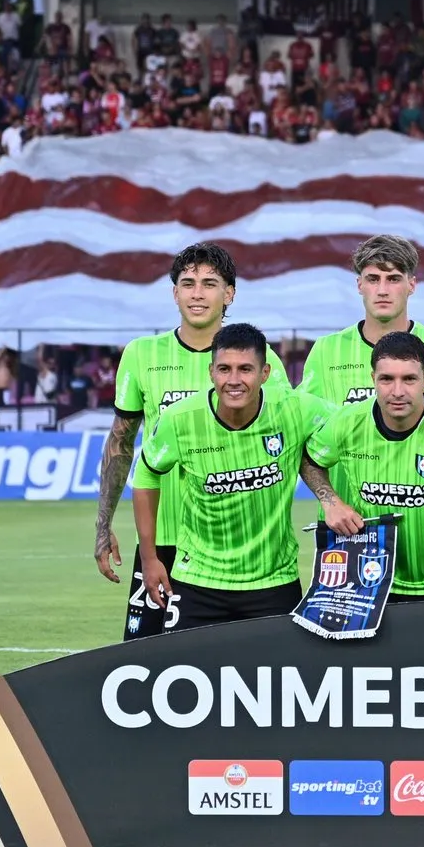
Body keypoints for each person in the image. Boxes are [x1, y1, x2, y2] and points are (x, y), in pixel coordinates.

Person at [95, 242, 291, 639]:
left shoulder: (258, 358)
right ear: (175, 293)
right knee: (147, 658)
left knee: (247, 659)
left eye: (209, 284)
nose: (197, 294)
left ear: (229, 294)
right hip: (163, 538)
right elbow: (121, 444)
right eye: (188, 284)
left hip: (236, 549)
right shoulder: (142, 355)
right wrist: (103, 525)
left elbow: (287, 436)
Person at [131, 322, 332, 631]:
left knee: (279, 664)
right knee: (184, 662)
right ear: (211, 372)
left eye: (245, 369)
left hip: (273, 583)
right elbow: (146, 475)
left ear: (265, 374)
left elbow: (359, 421)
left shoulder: (294, 409)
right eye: (224, 369)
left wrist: (331, 500)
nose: (234, 380)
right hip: (197, 581)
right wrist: (149, 558)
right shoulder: (181, 419)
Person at [301, 331, 424, 603]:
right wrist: (331, 502)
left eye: (409, 379)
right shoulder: (347, 421)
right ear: (373, 379)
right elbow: (310, 460)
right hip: (367, 582)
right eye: (386, 379)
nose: (397, 391)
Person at [294, 235, 424, 408]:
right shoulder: (326, 351)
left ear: (411, 285)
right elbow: (302, 420)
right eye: (373, 279)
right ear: (360, 285)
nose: (382, 290)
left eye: (393, 279)